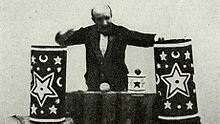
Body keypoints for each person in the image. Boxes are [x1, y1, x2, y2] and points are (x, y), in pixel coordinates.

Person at [55, 4, 156, 91]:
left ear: (111, 16)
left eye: (107, 18)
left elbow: (141, 39)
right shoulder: (87, 33)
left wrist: (158, 39)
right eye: (99, 19)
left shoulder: (120, 32)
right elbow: (63, 41)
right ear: (93, 20)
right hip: (94, 85)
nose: (104, 23)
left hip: (118, 85)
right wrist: (63, 35)